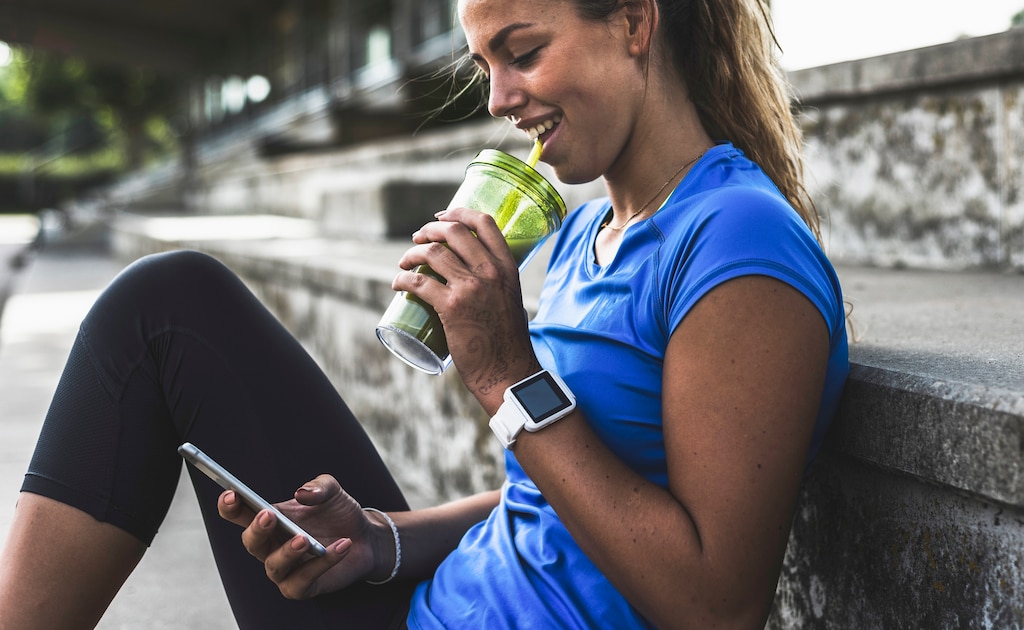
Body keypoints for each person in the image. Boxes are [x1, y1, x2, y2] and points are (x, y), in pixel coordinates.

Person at [0, 0, 849, 627]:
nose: (500, 97)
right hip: (433, 602)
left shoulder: (737, 241)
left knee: (165, 310)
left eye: (524, 53)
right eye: (484, 67)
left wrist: (507, 377)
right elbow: (547, 506)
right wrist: (380, 539)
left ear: (633, 21)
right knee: (165, 306)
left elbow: (715, 608)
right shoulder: (586, 231)